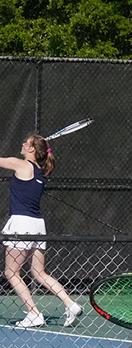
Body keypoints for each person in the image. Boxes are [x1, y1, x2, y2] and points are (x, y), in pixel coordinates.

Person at [1, 134, 82, 328]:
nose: (21, 143)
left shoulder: (21, 165)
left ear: (31, 150)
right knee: (38, 272)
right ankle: (70, 304)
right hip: (38, 225)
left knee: (11, 272)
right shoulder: (40, 171)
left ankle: (33, 313)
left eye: (25, 142)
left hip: (22, 224)